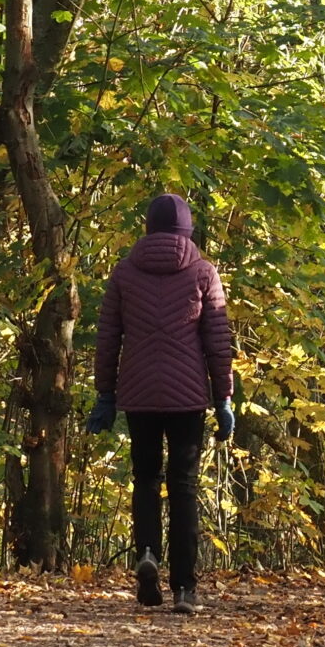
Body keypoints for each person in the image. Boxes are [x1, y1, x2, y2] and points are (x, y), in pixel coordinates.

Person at [85, 192, 237, 615]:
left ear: (149, 228)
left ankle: (148, 553)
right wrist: (223, 396)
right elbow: (217, 342)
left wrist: (105, 394)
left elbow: (107, 338)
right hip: (188, 396)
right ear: (187, 231)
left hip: (138, 394)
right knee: (184, 486)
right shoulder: (204, 272)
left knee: (146, 478)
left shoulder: (124, 273)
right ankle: (185, 588)